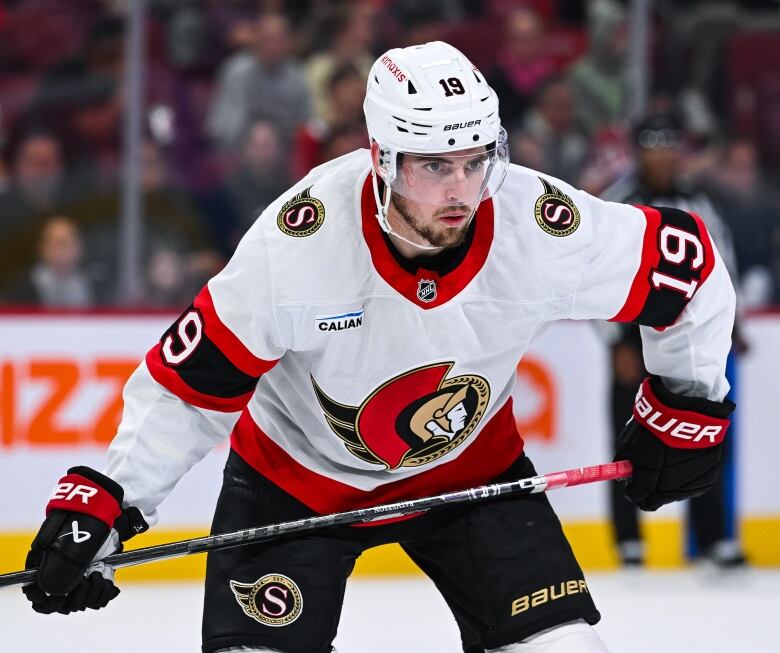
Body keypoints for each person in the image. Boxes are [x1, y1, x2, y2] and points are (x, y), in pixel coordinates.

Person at [23, 43, 736, 653]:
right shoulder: (296, 247)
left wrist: (686, 402)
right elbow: (193, 385)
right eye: (433, 165)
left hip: (470, 475)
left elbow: (691, 267)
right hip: (293, 486)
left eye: (475, 160)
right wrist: (110, 500)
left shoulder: (537, 223)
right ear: (382, 158)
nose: (461, 191)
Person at [601, 111, 745, 567]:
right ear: (638, 150)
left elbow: (723, 265)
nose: (662, 156)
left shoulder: (698, 200)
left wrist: (731, 324)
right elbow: (596, 274)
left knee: (701, 429)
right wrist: (615, 342)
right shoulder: (617, 201)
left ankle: (712, 538)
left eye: (669, 146)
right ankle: (630, 540)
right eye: (652, 146)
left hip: (688, 338)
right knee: (626, 434)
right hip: (632, 339)